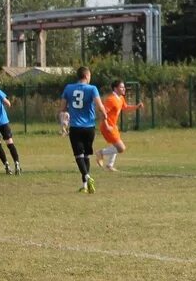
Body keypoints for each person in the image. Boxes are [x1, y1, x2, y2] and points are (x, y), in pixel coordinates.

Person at [60, 66, 106, 194]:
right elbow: (99, 105)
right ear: (86, 76)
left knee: (78, 156)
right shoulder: (92, 89)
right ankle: (85, 185)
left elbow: (62, 108)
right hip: (89, 127)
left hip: (75, 127)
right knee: (86, 156)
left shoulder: (68, 88)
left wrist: (66, 117)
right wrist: (104, 114)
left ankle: (87, 177)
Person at [96, 80, 142, 172]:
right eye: (121, 87)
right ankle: (100, 153)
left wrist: (136, 107)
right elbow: (103, 113)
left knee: (116, 146)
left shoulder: (120, 98)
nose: (124, 88)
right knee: (121, 148)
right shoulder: (111, 99)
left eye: (124, 87)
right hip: (107, 127)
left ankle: (109, 165)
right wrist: (107, 126)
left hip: (113, 126)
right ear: (115, 88)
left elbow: (125, 108)